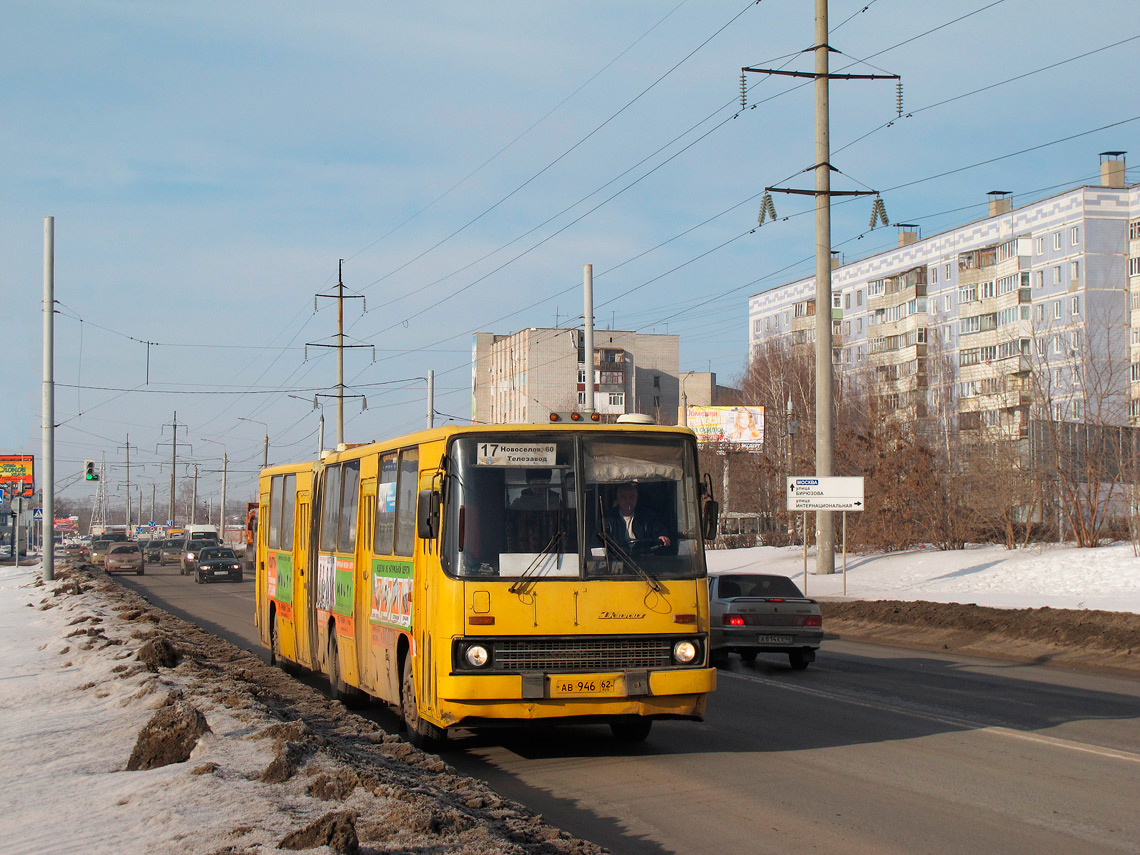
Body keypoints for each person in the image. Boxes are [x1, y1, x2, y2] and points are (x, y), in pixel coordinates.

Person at [603, 483, 671, 553]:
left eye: (631, 497)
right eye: (623, 497)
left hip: (643, 559)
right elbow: (599, 541)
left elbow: (658, 529)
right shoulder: (608, 519)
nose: (628, 501)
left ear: (636, 498)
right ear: (618, 499)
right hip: (617, 560)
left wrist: (662, 536)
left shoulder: (647, 516)